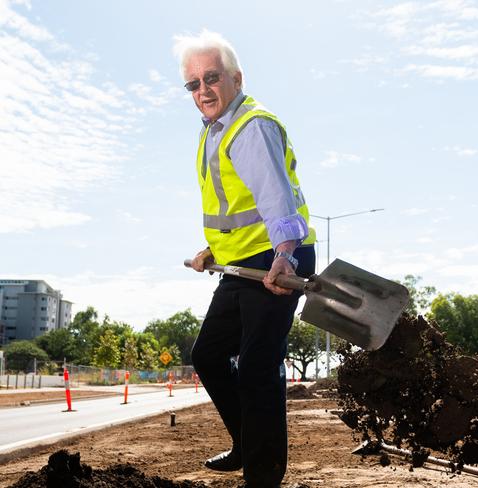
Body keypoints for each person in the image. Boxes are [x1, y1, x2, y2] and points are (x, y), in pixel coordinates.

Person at [173, 31, 316, 488]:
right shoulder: (213, 131)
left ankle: (263, 474)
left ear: (236, 78)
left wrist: (286, 257)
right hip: (242, 262)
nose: (202, 91)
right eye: (193, 84)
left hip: (277, 260)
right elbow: (239, 209)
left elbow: (277, 201)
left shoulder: (250, 126)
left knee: (257, 364)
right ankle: (245, 442)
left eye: (211, 78)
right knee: (209, 354)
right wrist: (214, 251)